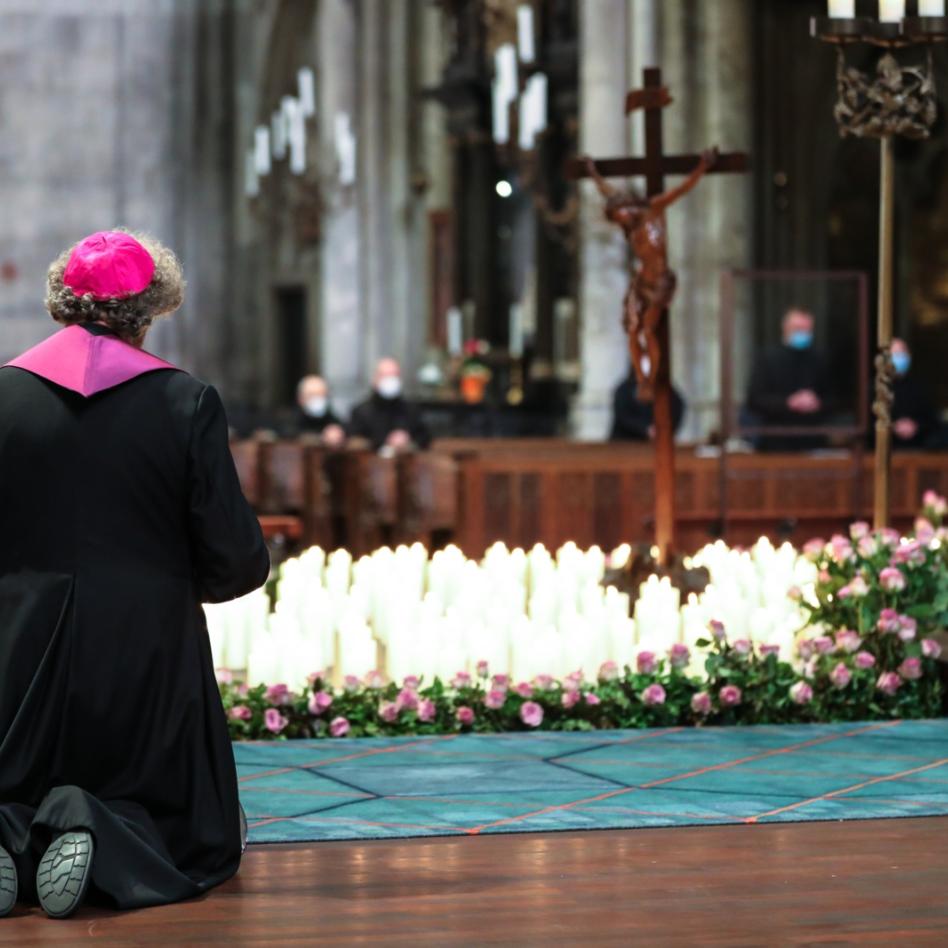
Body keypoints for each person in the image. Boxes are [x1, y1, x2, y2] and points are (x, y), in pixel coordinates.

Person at [0, 230, 269, 918]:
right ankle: (97, 827)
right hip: (145, 642)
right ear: (151, 311)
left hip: (17, 637)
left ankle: (7, 837)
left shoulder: (3, 393)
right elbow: (233, 554)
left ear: (62, 303)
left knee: (10, 778)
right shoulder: (185, 401)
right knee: (172, 816)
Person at [745, 307, 832, 451]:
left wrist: (816, 402)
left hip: (812, 439)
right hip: (776, 441)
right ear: (785, 328)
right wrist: (789, 403)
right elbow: (754, 400)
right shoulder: (768, 359)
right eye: (798, 329)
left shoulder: (819, 360)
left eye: (807, 330)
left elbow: (833, 399)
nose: (803, 334)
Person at [349, 357, 431, 451]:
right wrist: (384, 442)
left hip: (404, 461)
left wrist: (408, 441)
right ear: (375, 379)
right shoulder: (361, 411)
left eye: (394, 375)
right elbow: (354, 441)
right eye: (385, 376)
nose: (390, 380)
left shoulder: (411, 409)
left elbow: (424, 438)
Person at [610, 367, 685, 442]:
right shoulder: (625, 389)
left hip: (654, 444)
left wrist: (663, 430)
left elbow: (676, 407)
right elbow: (623, 416)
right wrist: (645, 429)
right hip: (625, 442)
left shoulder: (666, 391)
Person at [295, 374, 346, 446]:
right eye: (312, 395)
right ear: (301, 398)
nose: (317, 399)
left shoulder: (331, 418)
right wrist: (321, 438)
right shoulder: (290, 419)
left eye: (321, 394)